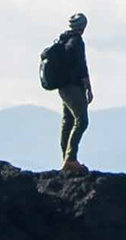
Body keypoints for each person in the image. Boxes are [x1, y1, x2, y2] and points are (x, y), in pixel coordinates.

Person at [37, 13, 92, 170]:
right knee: (82, 120)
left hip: (63, 88)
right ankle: (70, 159)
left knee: (68, 122)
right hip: (74, 86)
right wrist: (88, 87)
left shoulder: (64, 40)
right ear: (83, 26)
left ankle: (67, 160)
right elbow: (81, 65)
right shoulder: (77, 42)